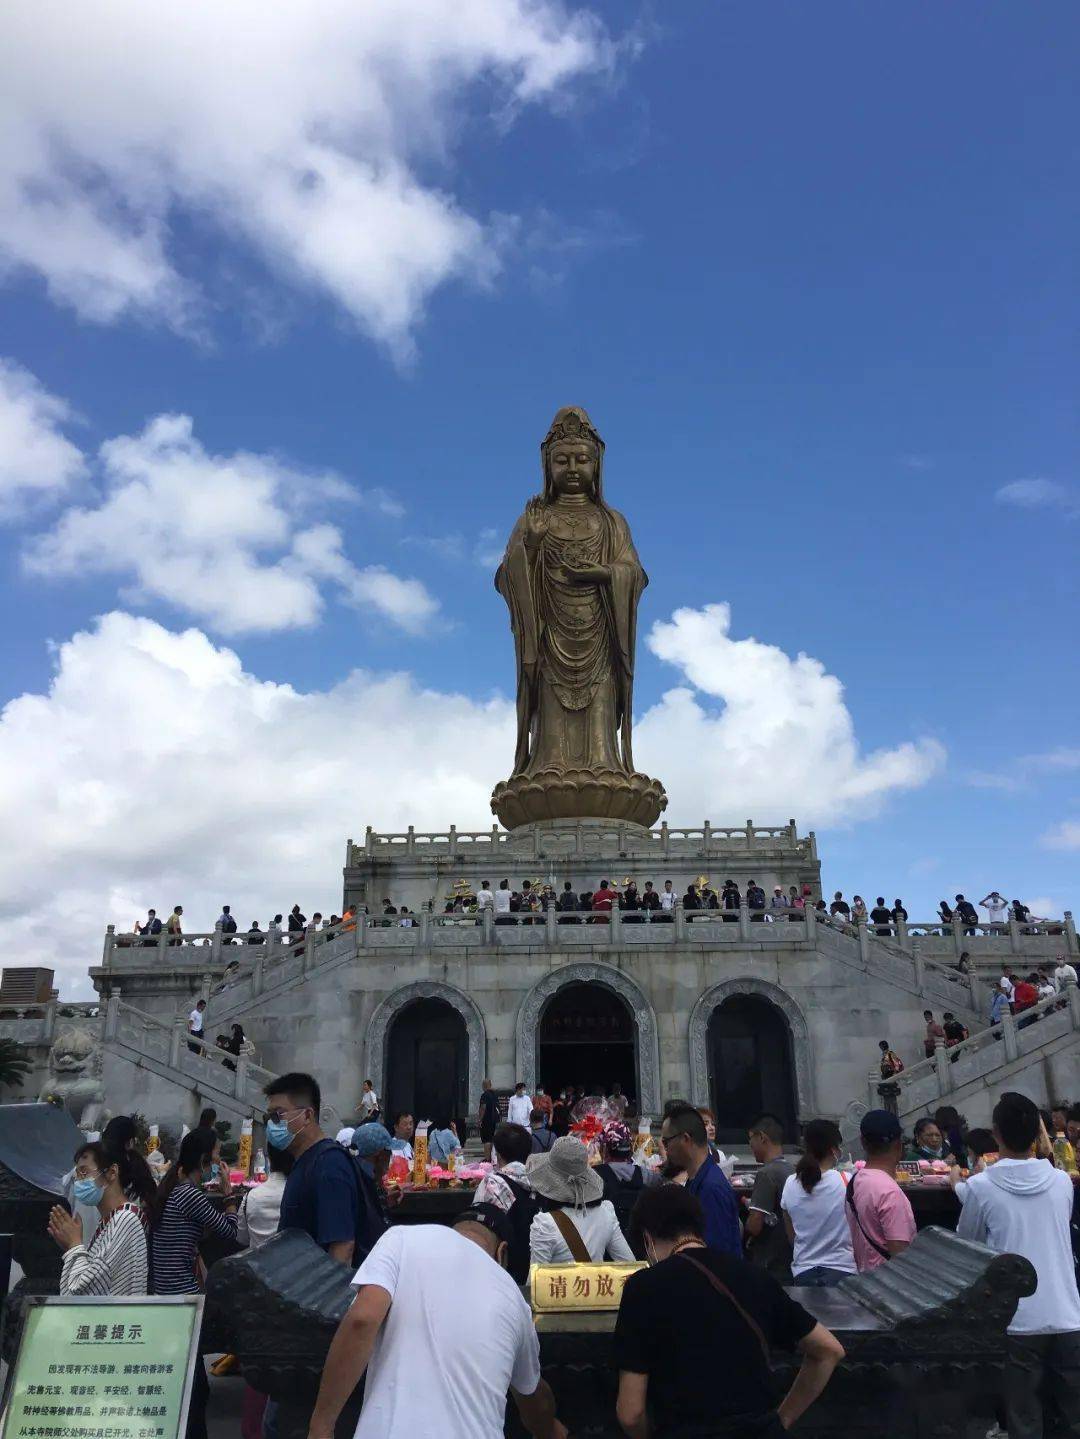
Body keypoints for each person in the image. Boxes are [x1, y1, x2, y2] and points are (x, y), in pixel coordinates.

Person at [307, 1206, 566, 1439]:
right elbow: (532, 1397)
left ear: (452, 1231)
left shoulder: (402, 1239)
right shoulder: (513, 1297)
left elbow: (362, 1319)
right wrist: (550, 1429)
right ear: (502, 1252)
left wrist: (321, 1426)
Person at [615, 1184, 845, 1439]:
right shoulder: (754, 1276)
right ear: (698, 1227)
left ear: (647, 1238)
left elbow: (630, 1412)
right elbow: (829, 1350)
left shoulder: (644, 1287)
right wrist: (782, 1420)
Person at [957, 1093, 1080, 1439]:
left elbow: (967, 1243)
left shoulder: (980, 1187)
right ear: (1038, 1133)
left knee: (1024, 1419)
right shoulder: (1061, 1182)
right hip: (1068, 1313)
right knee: (1073, 1417)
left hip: (1013, 1320)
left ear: (996, 1133)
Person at [150, 1130, 238, 1439]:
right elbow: (229, 1231)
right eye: (216, 1155)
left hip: (165, 1295)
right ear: (203, 1159)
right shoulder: (189, 1193)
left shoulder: (170, 1185)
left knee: (185, 1383)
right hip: (182, 1300)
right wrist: (229, 1196)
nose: (218, 1161)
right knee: (195, 1390)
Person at [265, 1071, 387, 1269]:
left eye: (278, 1115)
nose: (272, 1124)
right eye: (269, 1116)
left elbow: (342, 1247)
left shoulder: (329, 1165)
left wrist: (324, 1297)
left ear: (307, 1115)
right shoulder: (306, 1160)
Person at [48, 1141, 148, 1295]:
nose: (78, 1182)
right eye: (76, 1176)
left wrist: (75, 1245)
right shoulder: (109, 1220)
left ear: (112, 1172)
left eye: (83, 1172)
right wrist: (70, 1246)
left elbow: (87, 1290)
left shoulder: (126, 1219)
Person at [527, 1135, 635, 1265]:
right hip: (596, 1284)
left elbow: (536, 1281)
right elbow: (629, 1264)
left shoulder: (545, 1224)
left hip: (560, 1285)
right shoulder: (606, 1212)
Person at [781, 1119, 857, 1287]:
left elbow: (791, 1235)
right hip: (843, 1270)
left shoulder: (790, 1183)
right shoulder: (846, 1181)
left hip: (803, 1272)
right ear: (833, 1150)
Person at [660, 1103, 741, 1255]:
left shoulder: (711, 1189)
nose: (665, 1149)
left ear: (685, 1139)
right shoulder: (697, 1179)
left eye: (666, 1142)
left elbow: (715, 1257)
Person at [846, 1110, 915, 1272]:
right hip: (888, 1286)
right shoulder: (890, 1192)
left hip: (865, 1278)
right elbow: (900, 1255)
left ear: (862, 1142)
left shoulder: (855, 1181)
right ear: (899, 1145)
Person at [473, 1121, 537, 1283]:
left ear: (498, 1154)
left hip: (502, 1272)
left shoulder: (492, 1183)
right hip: (534, 1269)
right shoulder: (541, 1182)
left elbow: (477, 1230)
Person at [745, 1116, 794, 1283]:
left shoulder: (767, 1174)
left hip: (770, 1261)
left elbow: (755, 1225)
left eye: (751, 1139)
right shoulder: (791, 1169)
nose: (750, 1146)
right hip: (790, 1256)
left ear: (762, 1137)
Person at [595, 1120, 653, 1257]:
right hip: (639, 1249)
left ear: (605, 1148)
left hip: (607, 1252)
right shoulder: (646, 1175)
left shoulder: (595, 1175)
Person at [478, 1077, 500, 1161]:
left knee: (486, 1140)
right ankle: (490, 1158)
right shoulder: (495, 1094)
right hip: (494, 1120)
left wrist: (480, 1119)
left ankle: (487, 1159)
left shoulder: (484, 1095)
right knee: (491, 1139)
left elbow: (483, 1107)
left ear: (484, 1086)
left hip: (486, 1120)